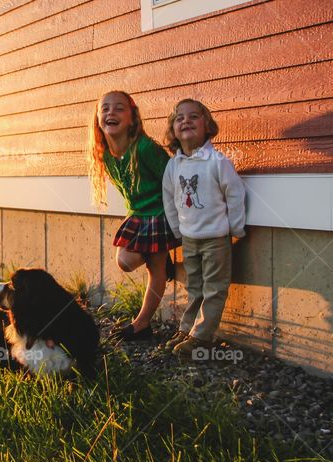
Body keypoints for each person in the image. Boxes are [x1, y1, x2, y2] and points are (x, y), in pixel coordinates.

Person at [88, 91, 179, 341]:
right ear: (97, 118)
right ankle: (160, 258)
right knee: (125, 261)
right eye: (104, 109)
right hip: (138, 214)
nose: (110, 113)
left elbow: (172, 181)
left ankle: (142, 323)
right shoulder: (106, 154)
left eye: (119, 108)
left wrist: (176, 223)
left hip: (160, 213)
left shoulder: (145, 148)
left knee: (155, 268)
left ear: (132, 118)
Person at [161, 99, 246, 357]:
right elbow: (169, 199)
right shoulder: (173, 165)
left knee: (214, 288)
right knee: (194, 287)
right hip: (189, 239)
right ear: (173, 130)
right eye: (179, 118)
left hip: (216, 238)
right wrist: (177, 230)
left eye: (193, 116)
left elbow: (235, 194)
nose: (186, 120)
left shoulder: (216, 161)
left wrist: (236, 228)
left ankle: (202, 337)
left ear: (207, 125)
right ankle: (187, 329)